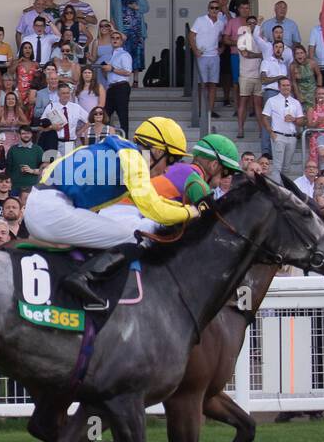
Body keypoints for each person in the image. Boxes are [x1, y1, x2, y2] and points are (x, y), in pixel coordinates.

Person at [24, 117, 199, 308]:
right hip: (51, 210)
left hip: (45, 204)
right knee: (133, 237)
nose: (167, 169)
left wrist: (188, 209)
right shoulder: (135, 159)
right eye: (171, 160)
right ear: (157, 151)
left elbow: (154, 201)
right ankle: (84, 278)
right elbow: (155, 210)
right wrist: (192, 213)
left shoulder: (122, 151)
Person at [110, 0, 149, 82]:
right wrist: (114, 30)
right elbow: (111, 13)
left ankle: (136, 80)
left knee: (137, 53)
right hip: (122, 30)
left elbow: (146, 7)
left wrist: (137, 7)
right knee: (123, 53)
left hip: (137, 29)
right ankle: (124, 79)